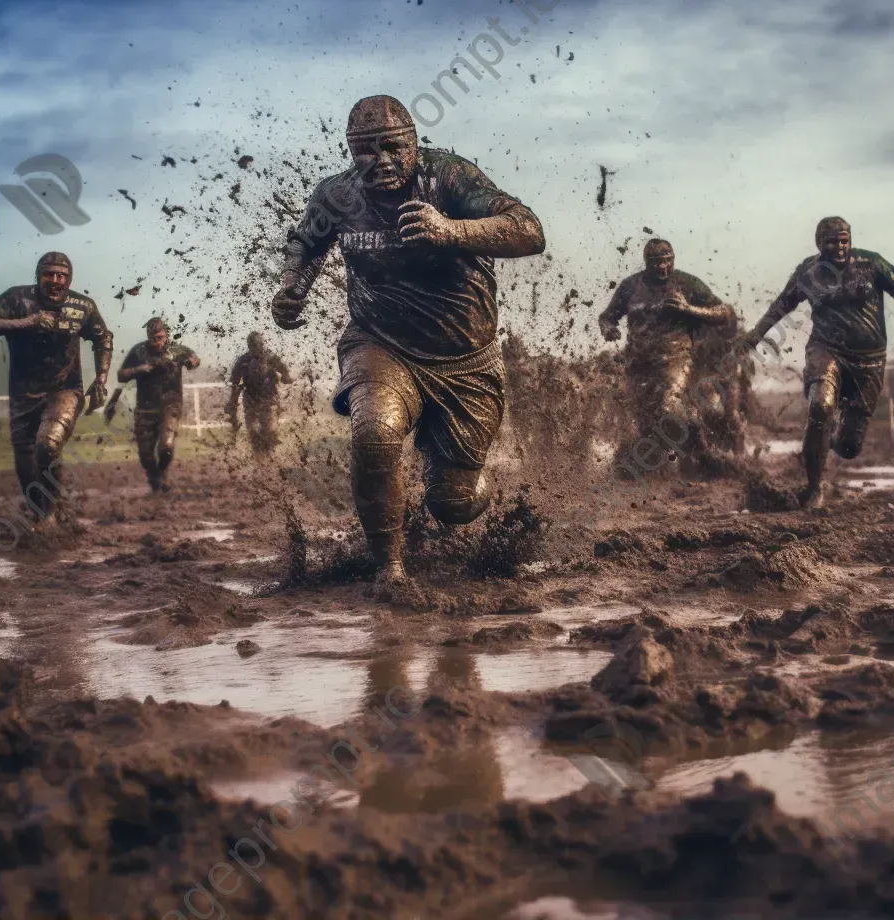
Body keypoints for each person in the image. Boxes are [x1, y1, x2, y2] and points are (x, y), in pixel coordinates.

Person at [271, 94, 545, 600]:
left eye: (393, 147)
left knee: (453, 505)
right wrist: (292, 288)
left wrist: (452, 230)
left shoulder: (450, 178)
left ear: (415, 144)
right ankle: (390, 570)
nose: (382, 162)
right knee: (374, 432)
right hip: (381, 343)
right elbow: (306, 245)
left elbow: (529, 231)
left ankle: (461, 489)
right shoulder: (338, 196)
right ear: (351, 154)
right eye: (365, 152)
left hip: (467, 360)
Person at [745, 216, 894, 509]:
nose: (839, 247)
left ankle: (819, 444)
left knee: (848, 447)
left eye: (844, 240)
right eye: (832, 241)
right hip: (826, 349)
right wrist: (755, 335)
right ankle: (815, 488)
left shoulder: (871, 264)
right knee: (821, 405)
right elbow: (782, 305)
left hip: (868, 361)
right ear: (819, 243)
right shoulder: (808, 272)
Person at [0, 251, 111, 528]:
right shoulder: (17, 298)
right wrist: (25, 323)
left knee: (48, 444)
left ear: (69, 279)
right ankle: (41, 513)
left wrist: (102, 378)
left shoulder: (82, 306)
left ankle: (51, 512)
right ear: (39, 276)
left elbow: (103, 338)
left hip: (65, 390)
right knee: (26, 459)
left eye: (62, 276)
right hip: (23, 394)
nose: (56, 281)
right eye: (49, 274)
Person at [598, 238, 737, 475]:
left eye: (667, 261)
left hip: (676, 359)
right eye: (656, 263)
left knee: (668, 408)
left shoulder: (686, 283)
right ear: (646, 262)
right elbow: (607, 316)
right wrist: (608, 328)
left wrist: (689, 309)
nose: (663, 267)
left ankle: (695, 447)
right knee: (645, 422)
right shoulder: (631, 286)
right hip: (638, 363)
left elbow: (724, 312)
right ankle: (666, 466)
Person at [115, 318, 199, 493]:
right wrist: (139, 369)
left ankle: (162, 472)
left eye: (160, 337)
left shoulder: (177, 350)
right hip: (145, 407)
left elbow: (194, 361)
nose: (157, 341)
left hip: (171, 405)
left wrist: (193, 361)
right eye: (153, 337)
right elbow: (121, 375)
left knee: (167, 445)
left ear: (166, 335)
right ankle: (154, 477)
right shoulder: (138, 351)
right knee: (145, 454)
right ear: (148, 336)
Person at [226, 332, 292, 457]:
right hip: (250, 400)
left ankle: (270, 454)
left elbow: (285, 373)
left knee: (270, 430)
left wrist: (286, 377)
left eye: (259, 345)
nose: (257, 348)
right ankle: (260, 460)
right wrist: (232, 401)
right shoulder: (243, 361)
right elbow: (235, 383)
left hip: (270, 399)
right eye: (254, 346)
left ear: (262, 345)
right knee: (254, 431)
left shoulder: (271, 357)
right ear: (250, 346)